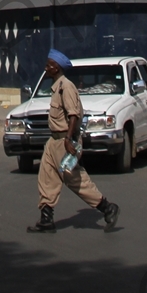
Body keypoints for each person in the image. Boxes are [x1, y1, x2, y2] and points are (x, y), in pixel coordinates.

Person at [28, 48, 120, 233]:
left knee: (75, 180)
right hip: (53, 141)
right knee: (47, 177)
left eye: (49, 65)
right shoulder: (56, 87)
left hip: (64, 141)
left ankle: (107, 207)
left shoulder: (66, 87)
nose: (45, 68)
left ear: (57, 68)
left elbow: (73, 115)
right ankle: (46, 219)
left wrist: (69, 139)